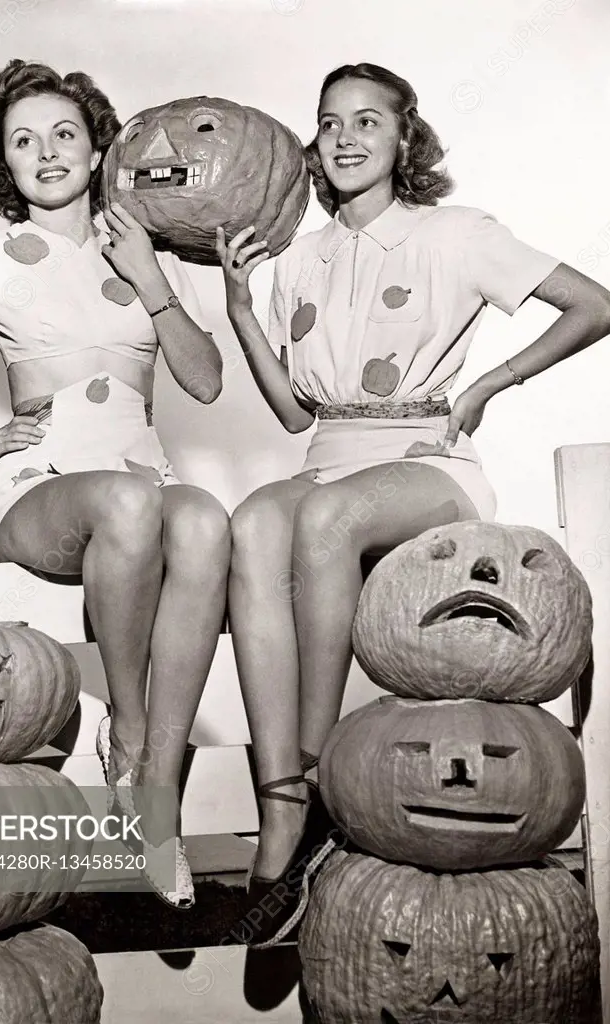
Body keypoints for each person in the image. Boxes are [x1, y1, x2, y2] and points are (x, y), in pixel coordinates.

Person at [216, 61, 610, 947]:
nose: (346, 137)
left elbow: (594, 304)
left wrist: (492, 384)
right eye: (329, 123)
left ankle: (318, 797)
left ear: (405, 138)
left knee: (323, 519)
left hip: (429, 460)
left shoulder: (455, 233)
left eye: (368, 121)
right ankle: (278, 800)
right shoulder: (299, 259)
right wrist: (242, 309)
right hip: (329, 457)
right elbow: (292, 413)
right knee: (252, 522)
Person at [0, 59, 231, 910]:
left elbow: (206, 382)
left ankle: (153, 805)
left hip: (143, 475)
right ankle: (128, 742)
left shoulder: (144, 247)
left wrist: (153, 281)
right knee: (128, 503)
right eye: (22, 141)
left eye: (65, 133)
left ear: (100, 147)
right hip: (43, 484)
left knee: (206, 518)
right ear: (4, 163)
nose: (46, 151)